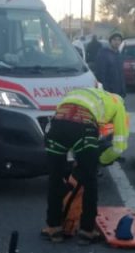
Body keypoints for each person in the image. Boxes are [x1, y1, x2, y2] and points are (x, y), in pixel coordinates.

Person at [40, 87, 129, 244]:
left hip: (57, 125)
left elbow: (65, 118)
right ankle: (87, 231)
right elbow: (118, 147)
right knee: (90, 180)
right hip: (84, 126)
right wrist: (101, 160)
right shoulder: (118, 104)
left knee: (55, 178)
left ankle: (54, 228)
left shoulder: (85, 94)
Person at [93, 32, 126, 97]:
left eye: (119, 40)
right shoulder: (103, 54)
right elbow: (100, 74)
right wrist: (106, 90)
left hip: (119, 92)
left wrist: (123, 89)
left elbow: (121, 74)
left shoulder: (119, 55)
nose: (117, 42)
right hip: (108, 92)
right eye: (114, 40)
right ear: (110, 41)